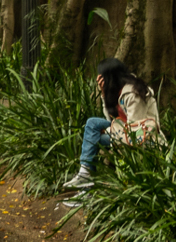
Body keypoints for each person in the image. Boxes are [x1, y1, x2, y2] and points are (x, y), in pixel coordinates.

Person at [63, 58, 161, 192]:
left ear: (109, 77)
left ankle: (86, 181)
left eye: (101, 77)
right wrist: (104, 94)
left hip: (142, 140)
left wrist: (110, 130)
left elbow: (135, 130)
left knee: (94, 136)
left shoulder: (134, 93)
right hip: (121, 133)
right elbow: (110, 118)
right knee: (93, 128)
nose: (99, 80)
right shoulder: (117, 90)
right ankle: (85, 179)